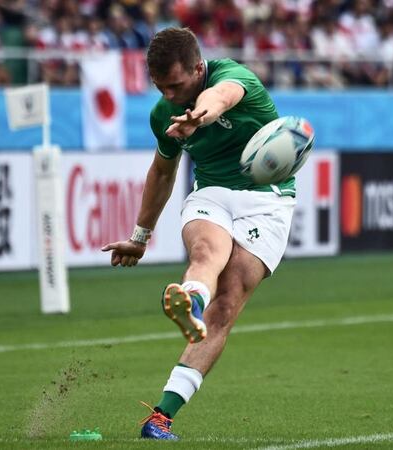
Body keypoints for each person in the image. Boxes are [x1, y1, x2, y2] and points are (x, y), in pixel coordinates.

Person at [100, 27, 296, 440]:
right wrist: (140, 236)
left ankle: (161, 416)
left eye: (176, 85)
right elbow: (162, 172)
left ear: (198, 67)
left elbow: (218, 98)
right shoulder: (162, 115)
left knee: (227, 304)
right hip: (212, 193)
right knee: (207, 254)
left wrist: (199, 116)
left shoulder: (235, 77)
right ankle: (190, 300)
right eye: (160, 87)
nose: (169, 96)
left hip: (268, 199)